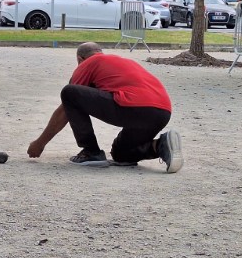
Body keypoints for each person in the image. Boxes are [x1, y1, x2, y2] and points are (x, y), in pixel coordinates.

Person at [27, 42, 183, 173]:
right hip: (162, 112)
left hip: (134, 106)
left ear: (80, 59)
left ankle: (91, 152)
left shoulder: (88, 63)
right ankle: (161, 145)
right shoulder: (122, 62)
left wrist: (39, 143)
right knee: (121, 154)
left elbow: (65, 109)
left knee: (69, 92)